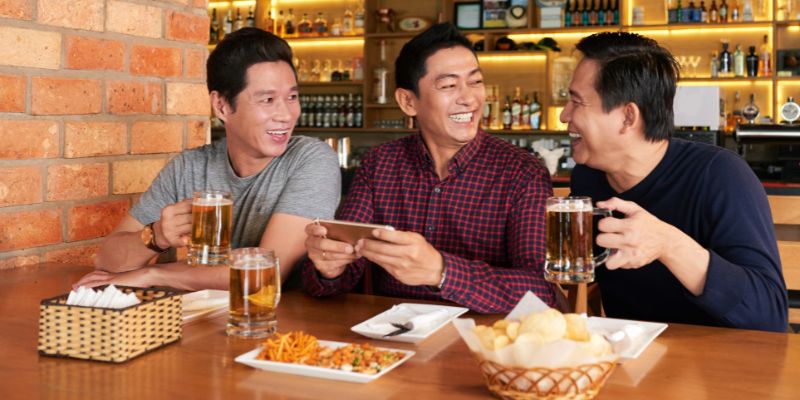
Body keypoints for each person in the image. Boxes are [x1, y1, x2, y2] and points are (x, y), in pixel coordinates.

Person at [301, 23, 559, 313]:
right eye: (449, 85)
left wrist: (442, 271)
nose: (469, 98)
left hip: (485, 341)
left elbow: (541, 291)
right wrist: (328, 267)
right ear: (408, 101)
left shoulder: (522, 172)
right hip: (393, 339)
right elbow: (343, 270)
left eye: (475, 82)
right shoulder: (379, 165)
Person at [74, 28, 341, 291]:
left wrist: (152, 273)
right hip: (205, 324)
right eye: (268, 100)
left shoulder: (311, 160)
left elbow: (265, 272)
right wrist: (156, 236)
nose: (286, 114)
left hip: (286, 326)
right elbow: (107, 261)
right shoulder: (189, 167)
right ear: (222, 106)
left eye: (292, 97)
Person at [563, 32, 787, 332]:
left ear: (628, 117)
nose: (565, 115)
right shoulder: (588, 178)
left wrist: (668, 244)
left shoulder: (720, 176)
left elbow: (769, 315)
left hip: (726, 367)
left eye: (577, 102)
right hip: (634, 364)